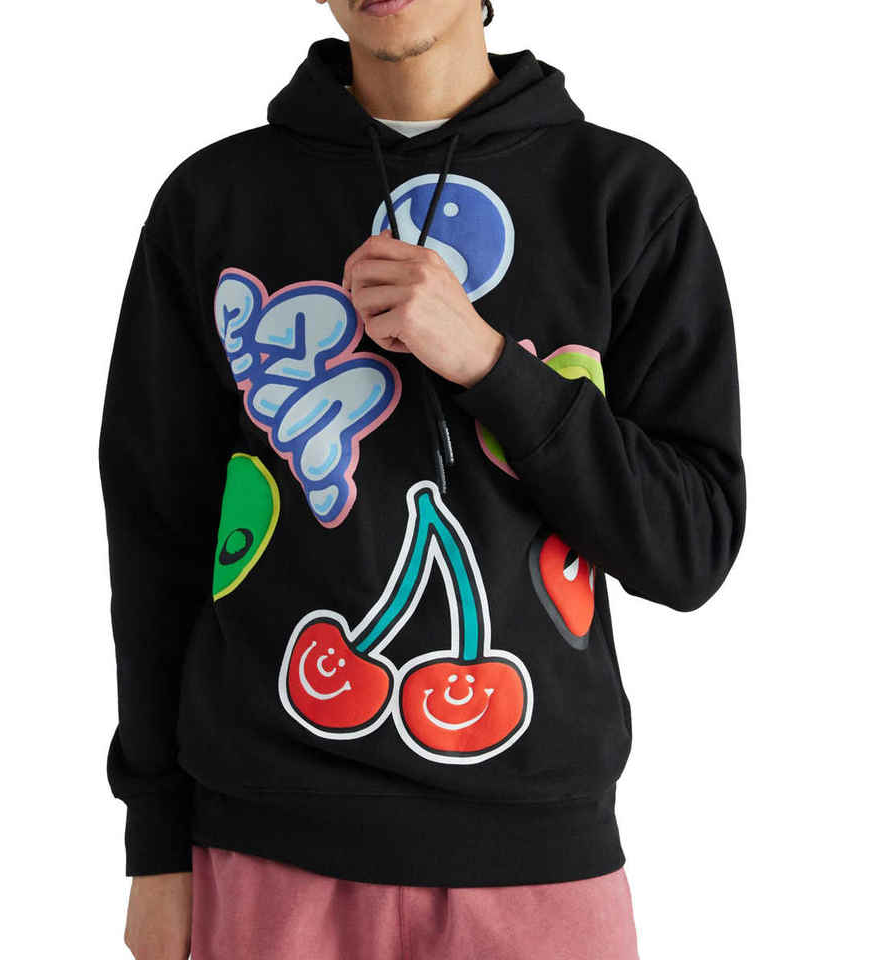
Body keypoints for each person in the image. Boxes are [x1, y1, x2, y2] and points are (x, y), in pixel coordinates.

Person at [99, 0, 746, 956]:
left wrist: (491, 366)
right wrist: (153, 845)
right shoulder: (216, 199)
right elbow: (155, 538)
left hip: (536, 860)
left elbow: (690, 549)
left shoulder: (625, 198)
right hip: (267, 849)